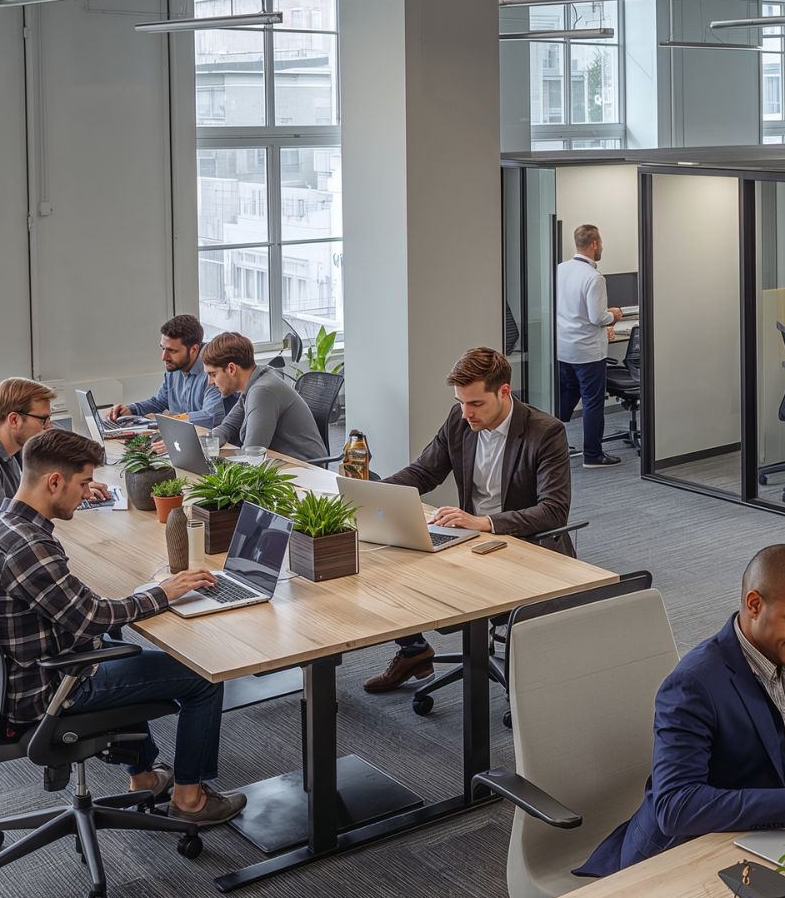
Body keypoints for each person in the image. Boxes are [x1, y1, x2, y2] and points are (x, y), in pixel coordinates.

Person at [0, 430, 245, 824]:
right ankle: (190, 799)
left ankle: (144, 778)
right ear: (54, 481)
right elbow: (91, 617)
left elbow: (74, 609)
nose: (86, 493)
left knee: (123, 648)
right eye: (82, 484)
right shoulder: (28, 546)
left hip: (16, 680)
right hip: (51, 690)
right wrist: (163, 593)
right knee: (202, 678)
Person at [579, 545, 785, 877]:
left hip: (775, 840)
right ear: (754, 605)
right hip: (684, 855)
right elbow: (676, 805)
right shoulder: (693, 684)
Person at [362, 347, 573, 694]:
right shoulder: (459, 421)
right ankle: (414, 651)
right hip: (468, 542)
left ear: (504, 392)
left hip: (525, 547)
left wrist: (484, 523)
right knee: (382, 560)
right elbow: (424, 472)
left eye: (476, 404)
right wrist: (372, 495)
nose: (466, 413)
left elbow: (553, 510)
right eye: (461, 402)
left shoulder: (545, 432)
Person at [0, 378, 109, 540]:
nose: (49, 427)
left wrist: (71, 487)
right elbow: (10, 528)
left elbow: (28, 498)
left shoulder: (13, 450)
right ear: (14, 420)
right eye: (43, 420)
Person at [555, 223, 624, 468]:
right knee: (593, 402)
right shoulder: (594, 278)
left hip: (563, 348)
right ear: (594, 244)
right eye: (601, 243)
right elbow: (597, 318)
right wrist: (614, 315)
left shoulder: (559, 270)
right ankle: (593, 455)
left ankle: (552, 444)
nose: (602, 247)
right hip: (588, 352)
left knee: (567, 395)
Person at [203, 331, 326, 460]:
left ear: (232, 369)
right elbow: (228, 427)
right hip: (280, 463)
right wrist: (204, 445)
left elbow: (252, 454)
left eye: (213, 374)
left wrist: (214, 461)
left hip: (302, 469)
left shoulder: (262, 391)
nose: (209, 382)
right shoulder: (254, 382)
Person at [110, 314, 234, 428]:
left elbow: (210, 417)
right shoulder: (174, 366)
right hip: (181, 437)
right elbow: (160, 401)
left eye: (172, 351)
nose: (164, 357)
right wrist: (131, 409)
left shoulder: (213, 370)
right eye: (163, 349)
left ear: (194, 349)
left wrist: (169, 420)